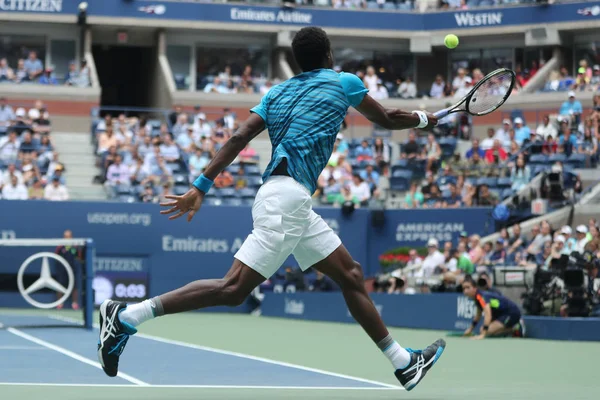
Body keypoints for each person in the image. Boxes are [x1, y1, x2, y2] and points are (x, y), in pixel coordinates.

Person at [96, 26, 445, 391]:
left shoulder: (277, 92)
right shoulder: (344, 82)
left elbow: (237, 137)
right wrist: (425, 119)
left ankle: (403, 363)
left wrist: (200, 185)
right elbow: (387, 118)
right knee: (232, 289)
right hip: (287, 201)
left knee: (351, 275)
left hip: (285, 198)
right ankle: (127, 316)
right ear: (329, 56)